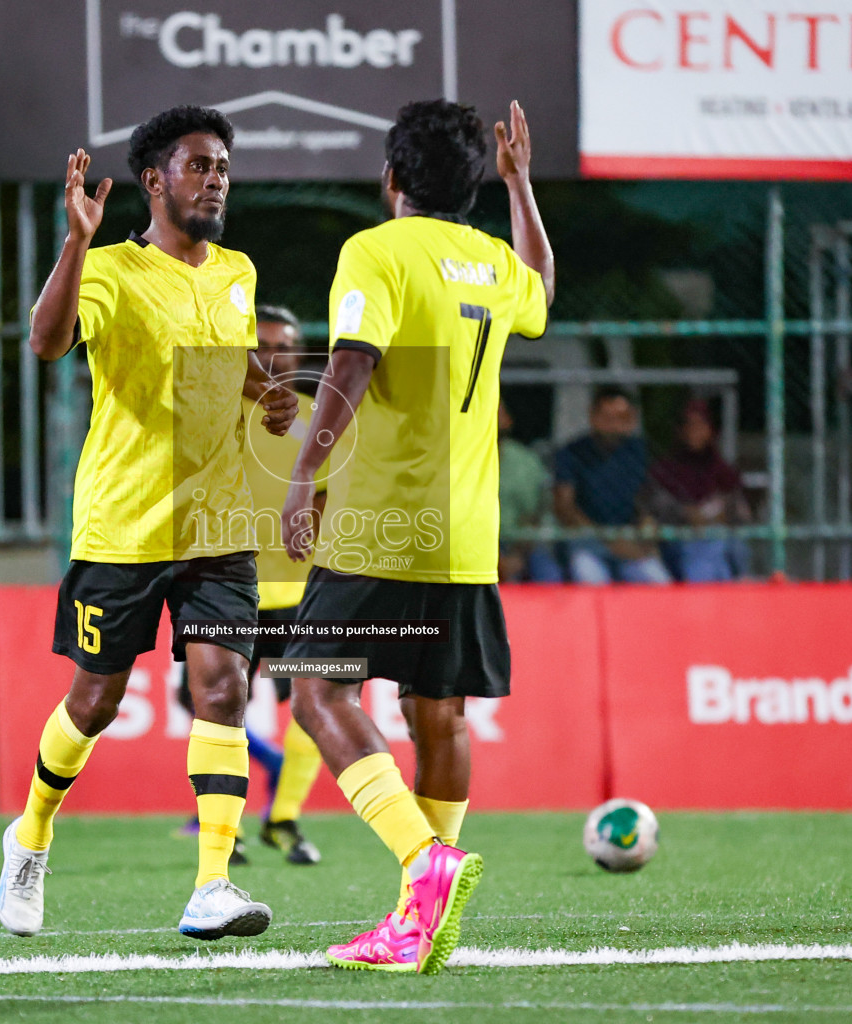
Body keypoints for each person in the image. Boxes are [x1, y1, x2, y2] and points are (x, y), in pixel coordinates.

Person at [0, 105, 298, 942]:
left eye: (224, 168)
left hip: (219, 523)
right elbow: (46, 342)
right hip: (124, 525)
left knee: (225, 689)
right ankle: (31, 836)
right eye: (200, 165)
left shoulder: (237, 270)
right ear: (155, 180)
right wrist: (74, 243)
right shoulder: (108, 271)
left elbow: (226, 357)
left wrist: (263, 392)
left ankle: (212, 884)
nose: (216, 180)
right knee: (94, 701)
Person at [280, 99, 553, 974]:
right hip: (466, 534)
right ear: (474, 181)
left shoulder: (375, 250)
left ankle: (422, 861)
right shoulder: (494, 262)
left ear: (392, 179)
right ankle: (418, 923)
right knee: (439, 713)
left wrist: (304, 474)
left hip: (381, 525)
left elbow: (352, 360)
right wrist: (522, 188)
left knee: (318, 695)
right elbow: (543, 288)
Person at [174, 305, 328, 865]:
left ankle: (284, 818)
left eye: (283, 345)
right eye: (259, 343)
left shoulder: (319, 417)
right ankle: (225, 828)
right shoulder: (212, 413)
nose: (272, 354)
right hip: (226, 587)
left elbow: (334, 495)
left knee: (319, 700)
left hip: (302, 594)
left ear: (298, 351)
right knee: (216, 706)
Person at [553, 386, 671, 585]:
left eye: (622, 417)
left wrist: (647, 525)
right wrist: (610, 542)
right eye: (607, 417)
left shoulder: (640, 452)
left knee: (659, 583)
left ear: (632, 419)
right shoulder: (571, 453)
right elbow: (565, 509)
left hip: (631, 541)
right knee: (590, 581)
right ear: (593, 416)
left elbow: (650, 498)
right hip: (587, 542)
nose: (614, 424)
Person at [648, 398, 751, 582]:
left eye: (701, 424)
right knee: (704, 550)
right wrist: (687, 514)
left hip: (719, 537)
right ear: (679, 430)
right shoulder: (664, 471)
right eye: (690, 425)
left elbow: (741, 514)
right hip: (679, 540)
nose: (695, 431)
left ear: (711, 430)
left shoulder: (723, 471)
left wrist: (720, 517)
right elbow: (658, 512)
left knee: (721, 545)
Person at [497, 401, 561, 582]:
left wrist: (517, 555)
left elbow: (535, 514)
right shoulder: (457, 462)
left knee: (550, 576)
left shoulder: (526, 461)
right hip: (475, 544)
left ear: (508, 420)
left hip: (521, 542)